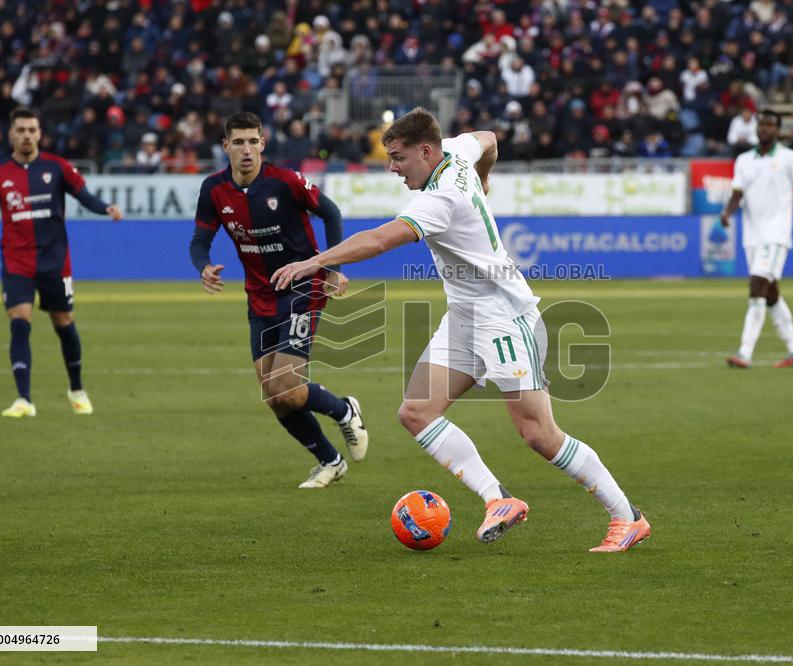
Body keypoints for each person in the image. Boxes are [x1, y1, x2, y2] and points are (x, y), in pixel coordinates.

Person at [272, 107, 650, 552]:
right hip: (465, 317)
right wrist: (484, 179)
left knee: (538, 434)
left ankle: (627, 518)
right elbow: (488, 138)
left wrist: (316, 261)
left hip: (505, 318)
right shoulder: (455, 150)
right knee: (416, 412)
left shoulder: (440, 199)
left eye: (398, 157)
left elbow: (378, 240)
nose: (392, 167)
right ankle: (498, 499)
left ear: (425, 151)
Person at [189, 111, 368, 489]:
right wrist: (203, 266)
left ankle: (343, 410)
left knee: (284, 384)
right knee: (275, 397)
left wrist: (332, 266)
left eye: (253, 141)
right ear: (226, 146)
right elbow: (200, 239)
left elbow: (331, 212)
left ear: (263, 144)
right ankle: (331, 460)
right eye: (239, 142)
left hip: (303, 288)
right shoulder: (214, 189)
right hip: (260, 297)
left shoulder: (285, 181)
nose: (247, 150)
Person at [0, 107, 123, 417]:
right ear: (11, 134)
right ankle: (24, 399)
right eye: (21, 130)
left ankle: (77, 390)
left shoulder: (57, 167)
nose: (27, 135)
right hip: (16, 261)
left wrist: (106, 208)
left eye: (32, 130)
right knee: (20, 321)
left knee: (64, 324)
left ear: (40, 134)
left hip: (55, 261)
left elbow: (84, 196)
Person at [720, 110, 793, 369]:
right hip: (752, 236)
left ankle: (745, 352)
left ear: (778, 130)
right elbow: (737, 193)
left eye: (770, 125)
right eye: (762, 124)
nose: (765, 129)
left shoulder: (790, 158)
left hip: (776, 234)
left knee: (757, 285)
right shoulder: (744, 160)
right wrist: (726, 214)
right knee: (770, 294)